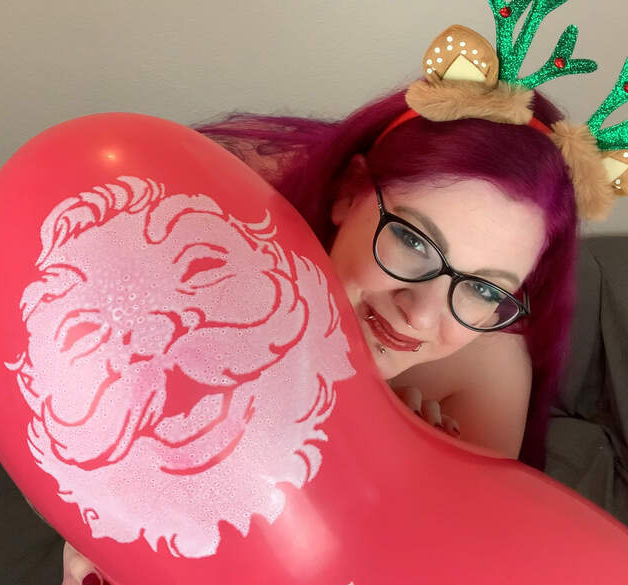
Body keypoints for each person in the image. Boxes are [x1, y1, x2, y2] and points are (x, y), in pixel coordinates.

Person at [58, 81, 579, 584]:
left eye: (485, 290)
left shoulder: (488, 373)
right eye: (413, 242)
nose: (421, 316)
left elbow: (434, 562)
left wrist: (403, 475)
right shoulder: (224, 237)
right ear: (349, 194)